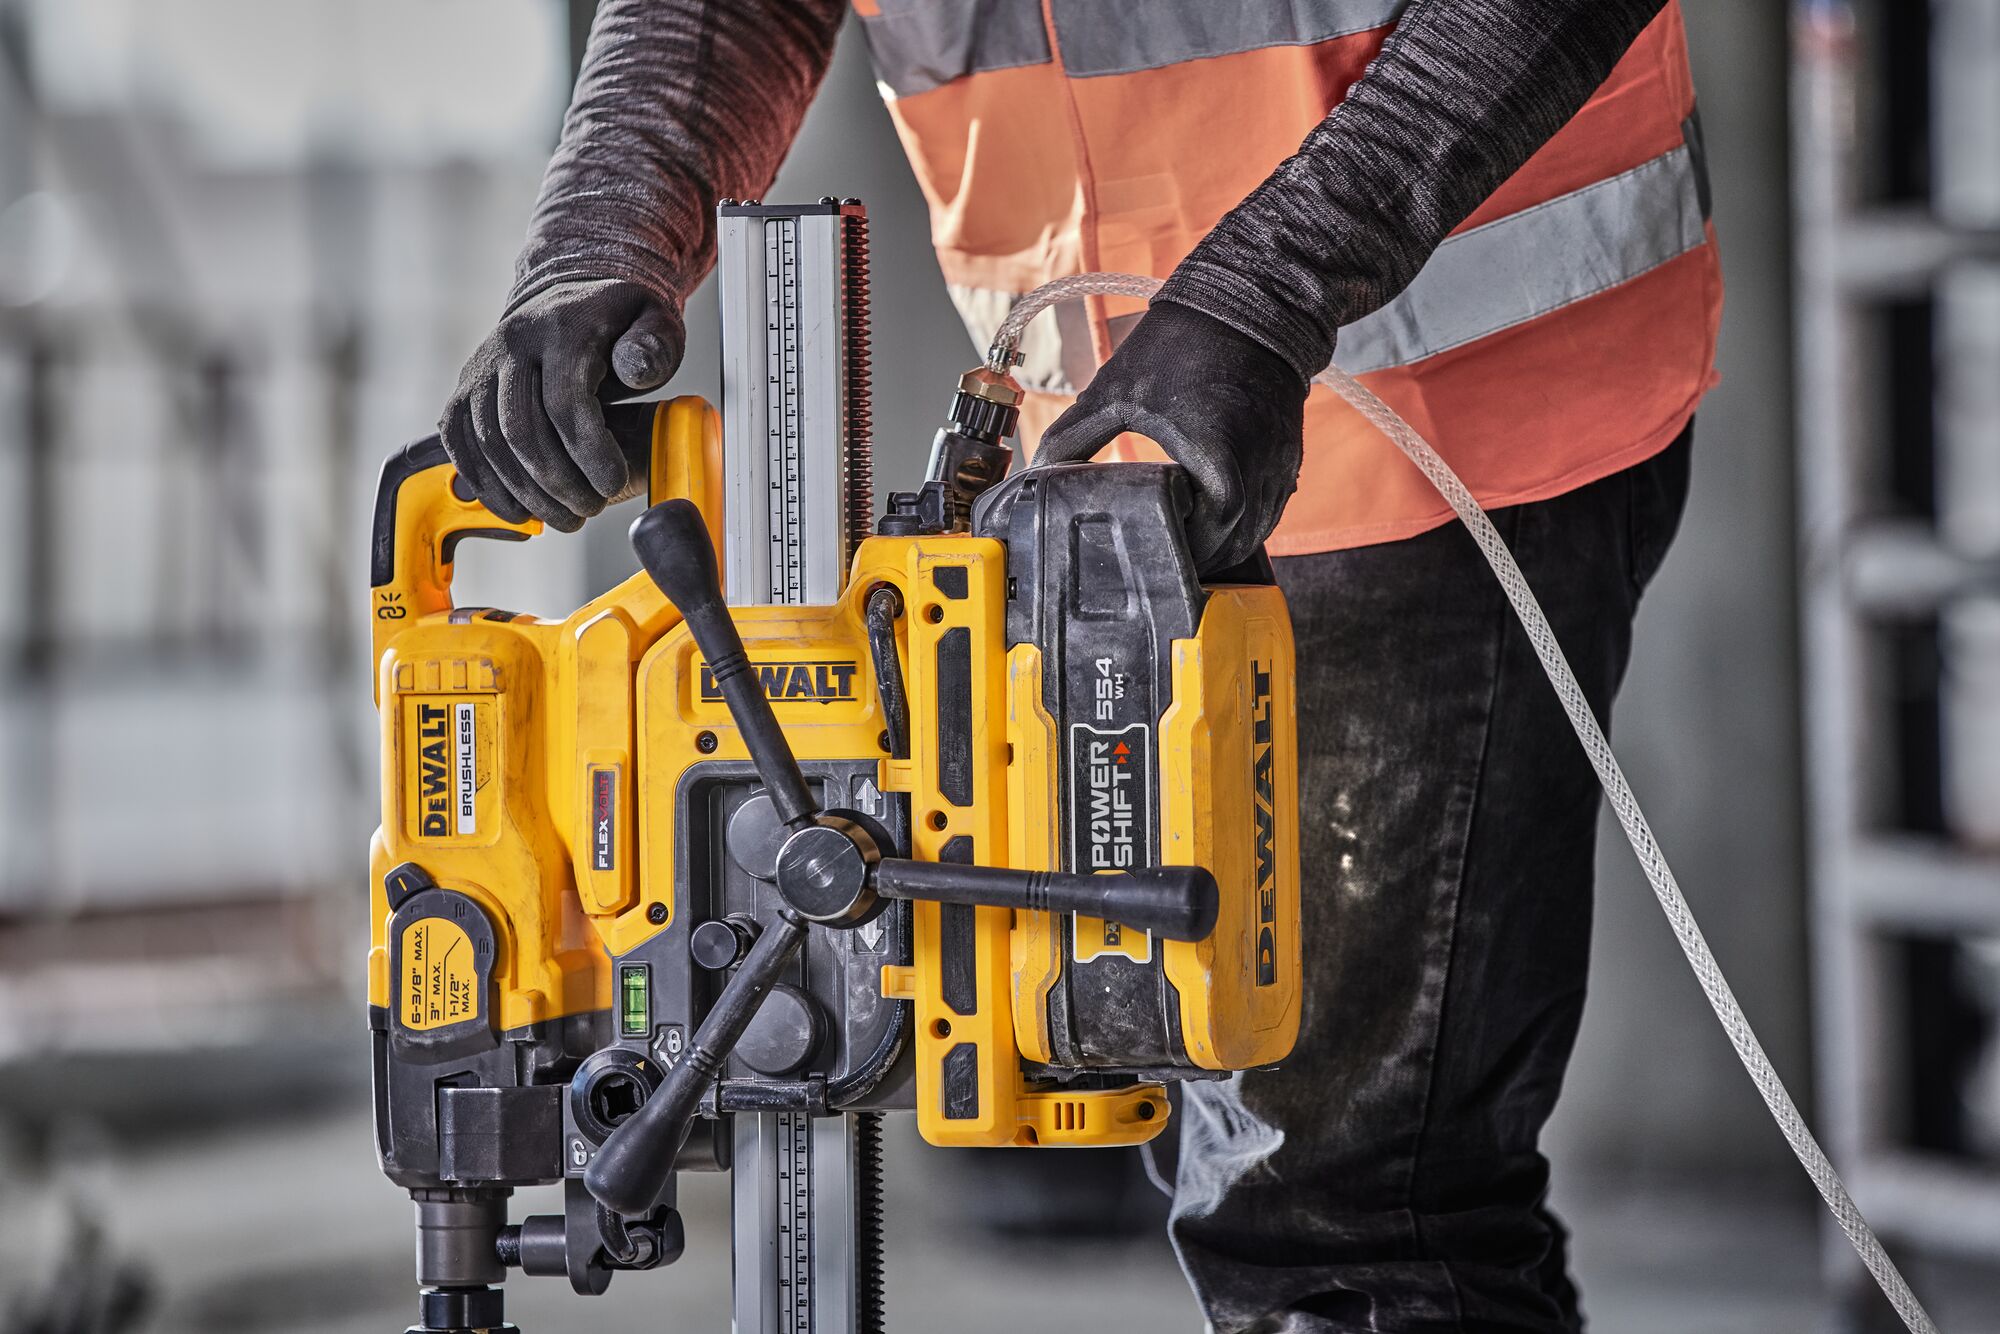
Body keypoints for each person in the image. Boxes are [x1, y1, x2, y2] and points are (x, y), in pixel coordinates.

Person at [437, 3, 1721, 1329]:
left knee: (1344, 1213)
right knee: (1243, 1140)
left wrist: (1274, 283)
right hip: (1125, 450)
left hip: (1428, 405)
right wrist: (607, 223)